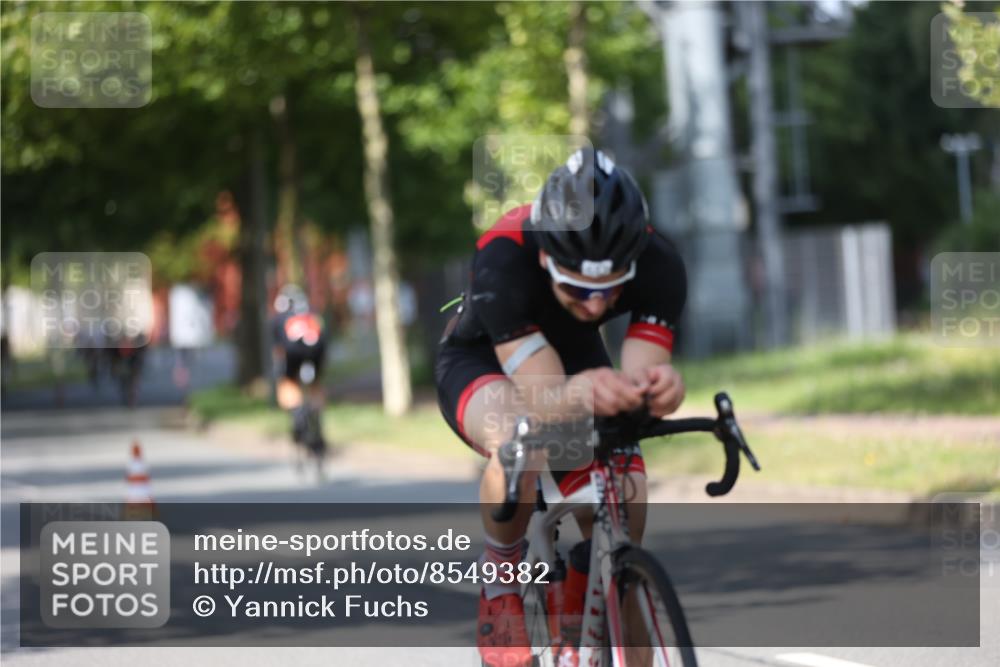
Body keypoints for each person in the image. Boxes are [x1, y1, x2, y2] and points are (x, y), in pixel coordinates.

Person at [435, 148, 688, 667]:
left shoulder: (660, 262)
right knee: (520, 444)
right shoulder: (503, 257)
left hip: (575, 358)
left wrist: (659, 390)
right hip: (484, 360)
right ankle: (502, 578)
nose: (596, 305)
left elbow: (641, 375)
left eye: (609, 289)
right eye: (577, 288)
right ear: (547, 257)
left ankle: (591, 600)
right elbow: (545, 397)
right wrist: (582, 394)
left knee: (626, 492)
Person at [271, 284, 328, 459]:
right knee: (315, 386)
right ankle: (316, 414)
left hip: (293, 353)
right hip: (316, 351)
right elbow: (324, 336)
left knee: (288, 383)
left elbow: (278, 349)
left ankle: (297, 413)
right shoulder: (313, 314)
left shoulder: (279, 318)